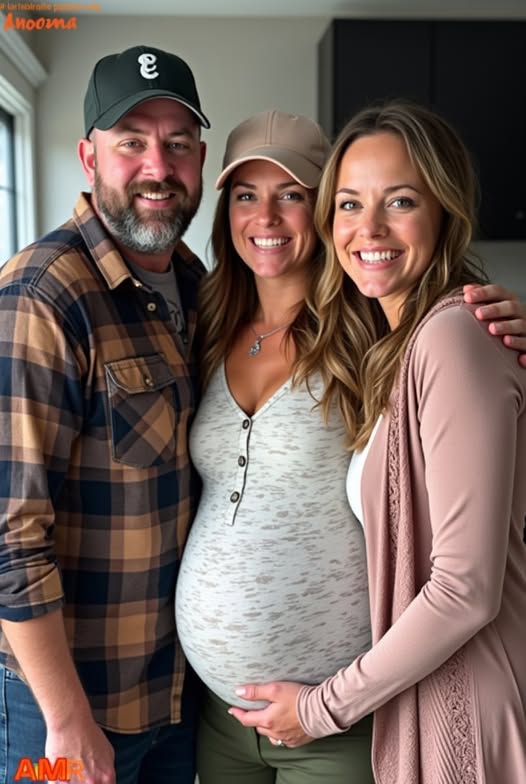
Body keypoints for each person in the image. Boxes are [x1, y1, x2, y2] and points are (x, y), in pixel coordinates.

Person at [175, 108, 526, 784]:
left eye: (292, 194)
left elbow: (467, 574)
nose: (266, 216)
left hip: (353, 706)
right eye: (246, 194)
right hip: (222, 712)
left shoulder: (381, 325)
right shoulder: (205, 320)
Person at [0, 45, 208, 784]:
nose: (158, 166)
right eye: (131, 143)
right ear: (90, 158)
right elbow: (10, 532)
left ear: (200, 159)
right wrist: (66, 720)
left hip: (175, 695)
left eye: (177, 144)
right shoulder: (43, 294)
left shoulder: (198, 285)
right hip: (65, 707)